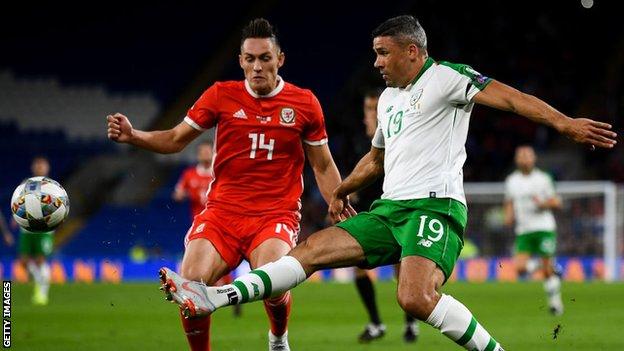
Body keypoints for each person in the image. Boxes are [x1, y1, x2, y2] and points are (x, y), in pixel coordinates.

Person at [159, 15, 617, 351]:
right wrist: (340, 190)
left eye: (383, 52)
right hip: (389, 211)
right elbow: (376, 158)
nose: (376, 62)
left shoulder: (447, 78)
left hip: (434, 208)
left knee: (414, 298)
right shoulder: (391, 102)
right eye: (375, 52)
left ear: (411, 52)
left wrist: (564, 123)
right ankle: (216, 295)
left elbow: (513, 99)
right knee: (310, 251)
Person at [107, 18, 353, 351]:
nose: (257, 66)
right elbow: (176, 138)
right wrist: (134, 135)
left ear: (280, 59)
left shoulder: (304, 103)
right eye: (249, 59)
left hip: (275, 213)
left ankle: (278, 338)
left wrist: (336, 200)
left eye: (265, 58)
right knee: (190, 284)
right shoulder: (221, 95)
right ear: (240, 61)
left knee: (273, 278)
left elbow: (322, 164)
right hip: (223, 212)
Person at [352, 88, 419, 343]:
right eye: (368, 109)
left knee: (402, 269)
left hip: (396, 206)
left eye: (374, 108)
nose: (371, 114)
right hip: (369, 210)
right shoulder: (359, 141)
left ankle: (411, 324)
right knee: (359, 267)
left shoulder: (398, 134)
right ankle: (376, 323)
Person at [172, 140, 242, 317]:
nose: (204, 154)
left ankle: (228, 294)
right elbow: (178, 193)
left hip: (221, 224)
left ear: (213, 154)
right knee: (198, 266)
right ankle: (201, 297)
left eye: (207, 151)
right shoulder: (189, 175)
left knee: (222, 262)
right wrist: (180, 194)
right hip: (199, 226)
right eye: (201, 151)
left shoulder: (219, 173)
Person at [504, 145, 563, 315]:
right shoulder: (511, 181)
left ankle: (555, 302)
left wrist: (543, 204)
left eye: (527, 155)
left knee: (546, 272)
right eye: (521, 155)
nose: (524, 158)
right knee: (520, 268)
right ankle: (550, 267)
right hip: (524, 230)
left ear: (534, 158)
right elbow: (509, 201)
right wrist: (508, 216)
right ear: (516, 160)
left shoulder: (543, 178)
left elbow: (556, 202)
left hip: (544, 228)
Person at [19, 157, 54, 305]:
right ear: (33, 168)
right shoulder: (25, 184)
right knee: (24, 261)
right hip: (27, 229)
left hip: (44, 230)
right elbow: (18, 204)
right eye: (37, 165)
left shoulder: (52, 187)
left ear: (47, 168)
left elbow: (58, 207)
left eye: (42, 166)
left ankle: (42, 293)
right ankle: (38, 283)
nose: (39, 168)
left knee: (40, 260)